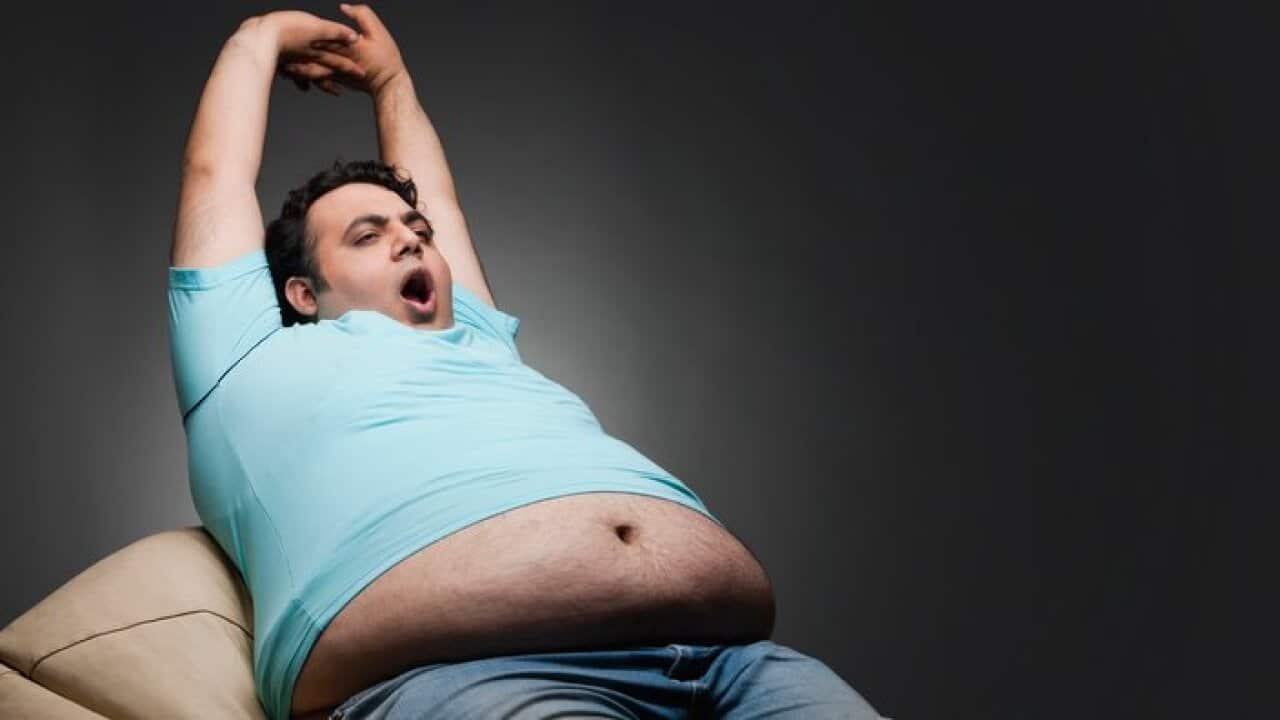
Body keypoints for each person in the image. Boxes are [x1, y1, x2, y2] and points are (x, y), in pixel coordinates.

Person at [169, 5, 884, 719]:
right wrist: (259, 37)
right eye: (368, 235)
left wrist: (390, 83)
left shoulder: (475, 336)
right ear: (302, 293)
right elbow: (215, 176)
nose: (411, 241)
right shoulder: (249, 359)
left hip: (731, 659)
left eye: (416, 231)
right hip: (476, 674)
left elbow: (439, 202)